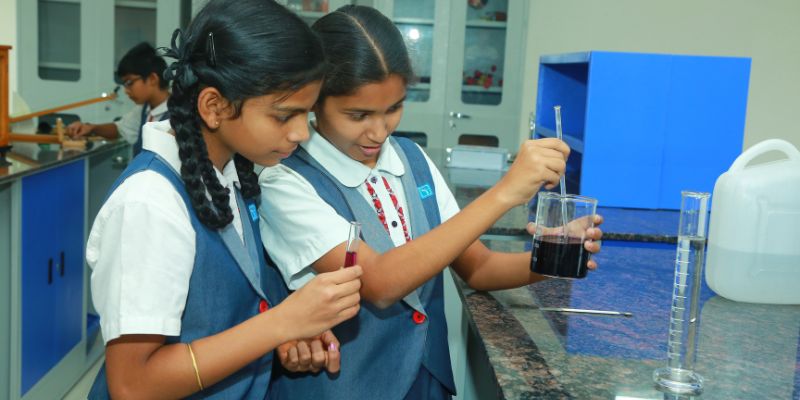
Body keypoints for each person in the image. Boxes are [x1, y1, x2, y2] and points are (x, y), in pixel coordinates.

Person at [259, 5, 604, 400]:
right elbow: (380, 283)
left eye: (393, 109)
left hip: (426, 382)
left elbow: (480, 267)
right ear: (315, 101)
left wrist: (553, 256)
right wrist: (504, 192)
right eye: (358, 115)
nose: (379, 131)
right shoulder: (286, 181)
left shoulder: (412, 160)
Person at [85, 1, 362, 398]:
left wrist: (288, 329)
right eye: (284, 115)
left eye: (307, 114)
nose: (302, 133)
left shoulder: (231, 173)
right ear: (214, 107)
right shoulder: (149, 205)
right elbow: (133, 385)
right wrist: (281, 323)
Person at [67, 42, 171, 155]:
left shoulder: (177, 114)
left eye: (129, 82)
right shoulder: (145, 110)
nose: (126, 90)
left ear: (152, 79)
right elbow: (119, 129)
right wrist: (91, 128)